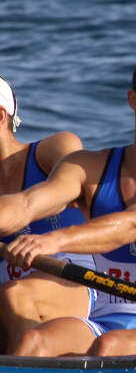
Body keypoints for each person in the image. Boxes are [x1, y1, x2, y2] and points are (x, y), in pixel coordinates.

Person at [1, 48, 136, 357]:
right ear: (134, 100)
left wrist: (52, 240)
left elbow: (133, 226)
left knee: (111, 347)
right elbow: (25, 205)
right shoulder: (88, 167)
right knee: (34, 343)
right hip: (104, 320)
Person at [0, 77, 91, 347]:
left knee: (13, 296)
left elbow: (74, 182)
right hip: (12, 295)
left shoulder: (51, 149)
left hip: (77, 280)